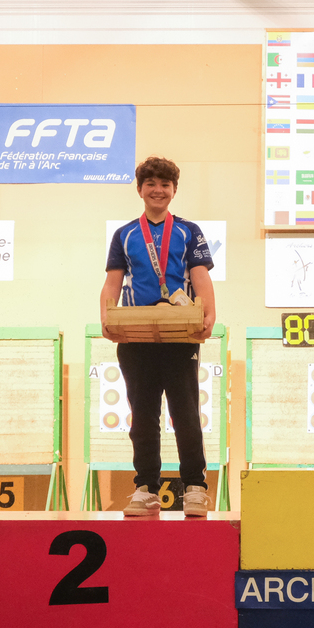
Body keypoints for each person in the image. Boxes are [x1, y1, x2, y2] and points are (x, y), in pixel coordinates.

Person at [100, 156, 216, 517]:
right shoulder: (125, 234)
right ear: (140, 190)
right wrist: (106, 316)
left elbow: (200, 277)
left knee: (186, 414)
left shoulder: (188, 231)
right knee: (143, 417)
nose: (158, 190)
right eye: (150, 184)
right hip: (136, 337)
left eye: (165, 184)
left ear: (174, 190)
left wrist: (209, 314)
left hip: (179, 336)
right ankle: (146, 488)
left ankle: (195, 487)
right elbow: (112, 283)